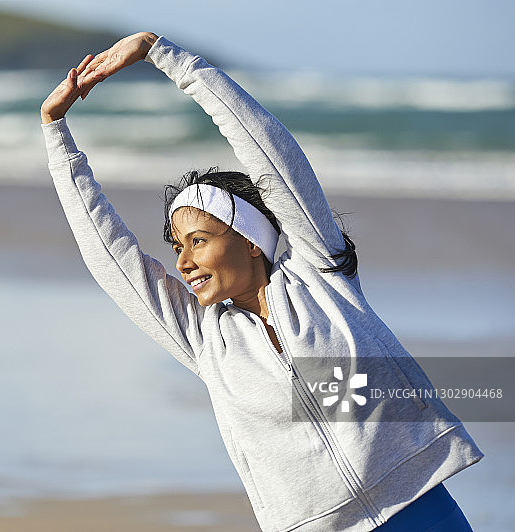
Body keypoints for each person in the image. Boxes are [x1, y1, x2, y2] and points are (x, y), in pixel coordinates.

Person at [40, 32, 482, 531]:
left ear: (252, 240)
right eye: (178, 247)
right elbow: (110, 256)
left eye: (199, 240)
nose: (184, 261)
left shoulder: (321, 276)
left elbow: (270, 154)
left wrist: (162, 54)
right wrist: (56, 133)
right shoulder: (205, 338)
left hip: (417, 504)